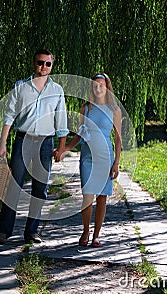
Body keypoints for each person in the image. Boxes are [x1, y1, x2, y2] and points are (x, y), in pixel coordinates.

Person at [0, 49, 68, 244]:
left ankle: (31, 232)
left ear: (52, 66)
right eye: (39, 62)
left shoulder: (57, 90)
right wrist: (2, 143)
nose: (43, 67)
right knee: (14, 185)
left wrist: (61, 148)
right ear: (33, 63)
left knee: (40, 188)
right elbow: (9, 116)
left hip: (45, 143)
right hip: (23, 140)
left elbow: (61, 121)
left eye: (47, 64)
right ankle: (5, 230)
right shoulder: (20, 87)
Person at [55, 73, 121, 247]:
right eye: (95, 85)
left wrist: (116, 163)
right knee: (87, 196)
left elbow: (119, 139)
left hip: (105, 157)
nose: (98, 88)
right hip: (87, 157)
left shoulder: (114, 109)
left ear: (107, 87)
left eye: (101, 85)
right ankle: (85, 230)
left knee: (102, 198)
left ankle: (97, 235)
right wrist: (64, 149)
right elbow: (79, 134)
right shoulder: (86, 108)